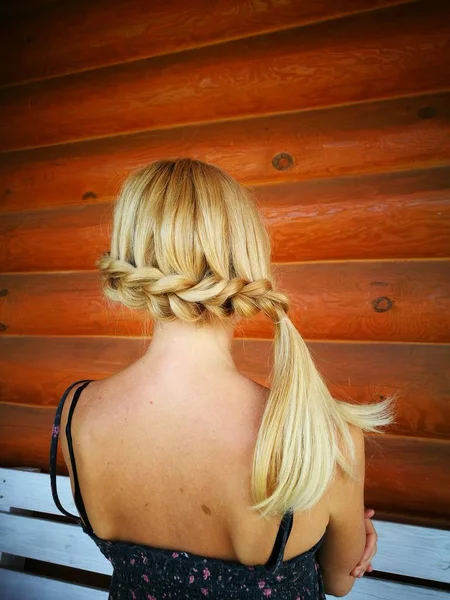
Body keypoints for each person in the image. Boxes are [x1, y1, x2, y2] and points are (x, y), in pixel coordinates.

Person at [50, 158, 394, 599]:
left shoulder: (78, 413)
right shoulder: (325, 437)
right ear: (250, 258)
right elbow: (339, 581)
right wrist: (354, 529)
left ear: (129, 259)